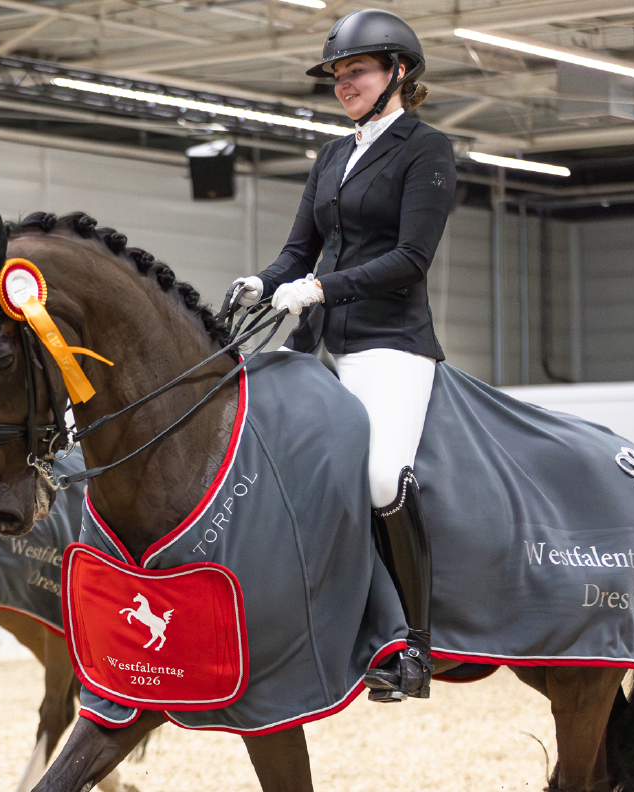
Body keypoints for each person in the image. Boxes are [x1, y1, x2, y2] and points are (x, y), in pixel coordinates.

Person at [229, 9, 454, 703]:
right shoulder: (332, 155)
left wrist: (323, 287)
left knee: (383, 477)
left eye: (356, 71)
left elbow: (411, 258)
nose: (343, 84)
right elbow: (299, 250)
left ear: (398, 73)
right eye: (337, 75)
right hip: (319, 343)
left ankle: (412, 647)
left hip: (391, 344)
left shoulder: (427, 149)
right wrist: (261, 282)